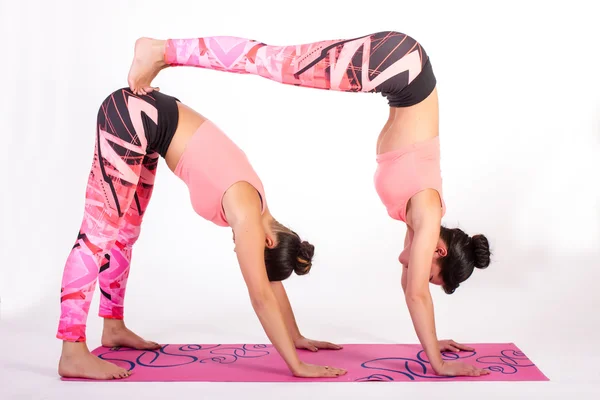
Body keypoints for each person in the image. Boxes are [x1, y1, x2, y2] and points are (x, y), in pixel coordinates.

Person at [128, 30, 493, 377]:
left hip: (399, 74)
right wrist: (438, 363)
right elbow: (416, 294)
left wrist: (430, 342)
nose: (415, 270)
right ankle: (162, 50)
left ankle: (165, 53)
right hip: (401, 62)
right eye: (430, 273)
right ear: (439, 250)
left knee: (278, 64)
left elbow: (409, 289)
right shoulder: (427, 212)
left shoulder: (415, 221)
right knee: (277, 63)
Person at [57, 87, 346, 380]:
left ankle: (113, 327)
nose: (238, 249)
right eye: (249, 250)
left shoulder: (258, 208)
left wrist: (295, 336)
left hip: (151, 126)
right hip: (135, 115)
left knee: (125, 234)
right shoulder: (247, 213)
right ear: (268, 240)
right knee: (97, 237)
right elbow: (260, 296)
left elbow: (268, 282)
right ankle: (72, 352)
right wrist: (297, 366)